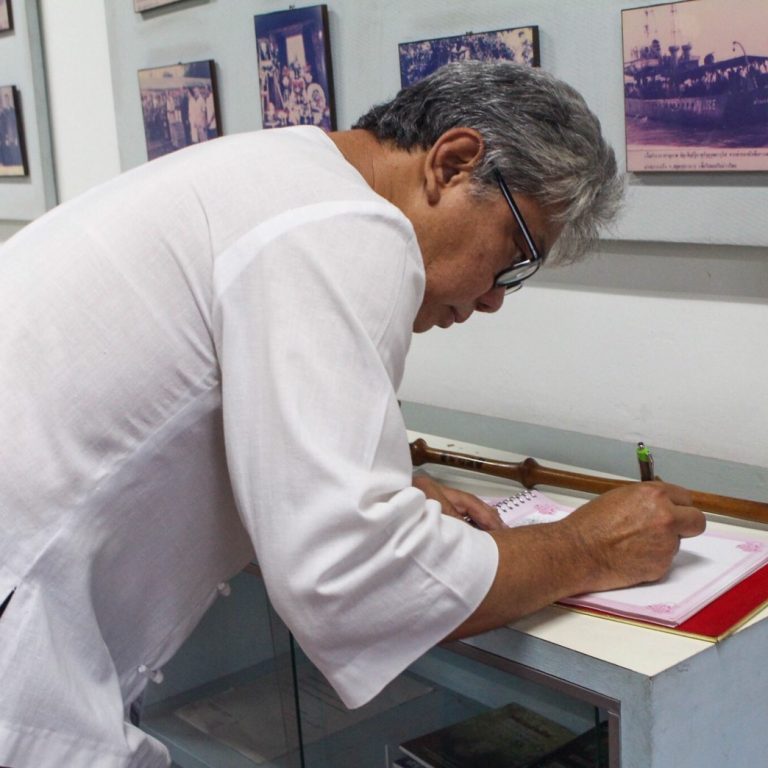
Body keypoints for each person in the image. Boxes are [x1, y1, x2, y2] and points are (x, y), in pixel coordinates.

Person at [0, 61, 704, 767]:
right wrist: (586, 548)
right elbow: (354, 578)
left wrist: (378, 483)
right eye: (514, 256)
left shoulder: (283, 175)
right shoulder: (348, 225)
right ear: (453, 164)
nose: (495, 297)